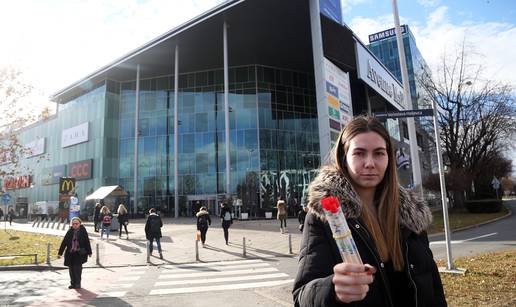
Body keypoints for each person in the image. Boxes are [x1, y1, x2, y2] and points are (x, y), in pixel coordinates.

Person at [293, 116, 446, 307]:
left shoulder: (412, 215)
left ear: (389, 158)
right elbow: (302, 296)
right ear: (344, 158)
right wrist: (332, 289)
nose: (370, 163)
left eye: (379, 153)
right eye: (359, 153)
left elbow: (433, 285)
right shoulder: (324, 218)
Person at [57, 217, 92, 289]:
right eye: (73, 224)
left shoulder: (83, 231)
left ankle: (78, 283)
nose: (75, 225)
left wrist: (89, 252)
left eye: (76, 223)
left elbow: (87, 242)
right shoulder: (70, 231)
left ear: (80, 224)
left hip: (79, 253)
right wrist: (60, 253)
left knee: (78, 269)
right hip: (70, 253)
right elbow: (64, 242)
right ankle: (72, 283)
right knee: (71, 269)